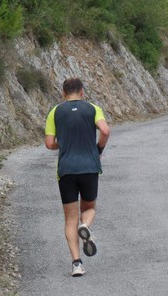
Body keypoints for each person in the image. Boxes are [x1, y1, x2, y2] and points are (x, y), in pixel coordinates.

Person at [44, 77, 110, 277]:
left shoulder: (55, 112)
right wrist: (98, 148)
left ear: (63, 94)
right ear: (82, 92)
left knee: (69, 219)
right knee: (89, 208)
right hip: (89, 167)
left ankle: (76, 264)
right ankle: (85, 225)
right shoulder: (93, 108)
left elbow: (49, 144)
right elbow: (105, 131)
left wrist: (61, 144)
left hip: (66, 170)